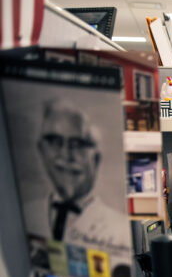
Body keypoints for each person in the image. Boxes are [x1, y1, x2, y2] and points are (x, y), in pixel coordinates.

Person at [27, 101, 131, 253]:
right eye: (55, 142)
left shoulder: (121, 229)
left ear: (96, 159)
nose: (66, 155)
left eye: (77, 144)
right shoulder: (28, 213)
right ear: (42, 151)